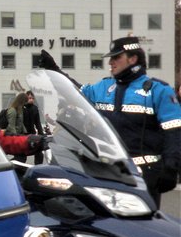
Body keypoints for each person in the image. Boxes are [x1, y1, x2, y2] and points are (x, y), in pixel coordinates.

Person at [40, 37, 181, 207]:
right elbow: (75, 92)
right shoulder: (104, 87)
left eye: (116, 58)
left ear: (133, 59)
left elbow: (174, 130)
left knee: (141, 228)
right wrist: (54, 70)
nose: (111, 62)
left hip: (145, 176)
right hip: (109, 173)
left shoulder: (158, 90)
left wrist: (171, 167)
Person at [23, 91, 45, 164]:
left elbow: (38, 123)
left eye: (33, 98)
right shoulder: (22, 108)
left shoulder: (35, 108)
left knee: (39, 153)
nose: (31, 100)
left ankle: (38, 168)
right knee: (21, 155)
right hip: (22, 134)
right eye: (29, 98)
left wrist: (41, 134)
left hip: (32, 133)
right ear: (26, 98)